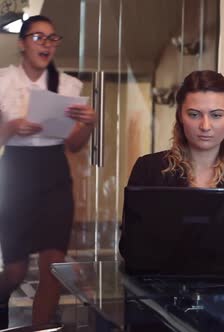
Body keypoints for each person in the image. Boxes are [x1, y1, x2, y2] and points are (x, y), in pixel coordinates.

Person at [0, 15, 96, 327]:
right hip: (15, 172)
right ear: (22, 42)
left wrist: (89, 124)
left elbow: (74, 145)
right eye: (39, 37)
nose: (46, 44)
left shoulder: (67, 84)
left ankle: (42, 328)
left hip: (54, 173)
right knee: (14, 269)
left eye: (52, 38)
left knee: (52, 268)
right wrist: (13, 126)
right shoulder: (3, 80)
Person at [120, 70, 224, 255]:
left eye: (216, 115)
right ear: (180, 115)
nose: (205, 126)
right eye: (194, 115)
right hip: (164, 281)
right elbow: (130, 244)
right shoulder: (148, 168)